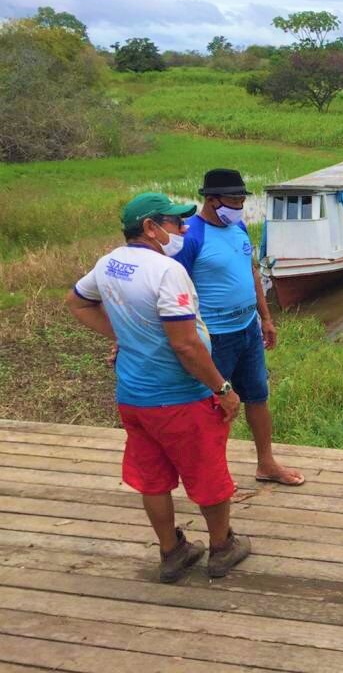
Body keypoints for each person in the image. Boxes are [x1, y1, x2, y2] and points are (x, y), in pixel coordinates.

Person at [66, 192, 251, 582]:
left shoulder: (109, 263)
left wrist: (125, 338)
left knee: (152, 479)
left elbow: (78, 303)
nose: (183, 229)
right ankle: (221, 547)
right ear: (150, 228)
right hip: (181, 398)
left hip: (134, 398)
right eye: (175, 222)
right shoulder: (166, 271)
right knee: (208, 474)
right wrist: (223, 390)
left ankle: (171, 552)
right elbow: (185, 345)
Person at [174, 169, 304, 486]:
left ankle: (266, 464)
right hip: (214, 338)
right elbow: (173, 291)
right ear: (211, 199)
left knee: (258, 396)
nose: (240, 206)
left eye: (242, 199)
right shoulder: (191, 237)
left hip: (248, 330)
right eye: (234, 200)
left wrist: (265, 318)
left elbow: (252, 273)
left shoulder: (238, 227)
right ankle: (213, 477)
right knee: (215, 407)